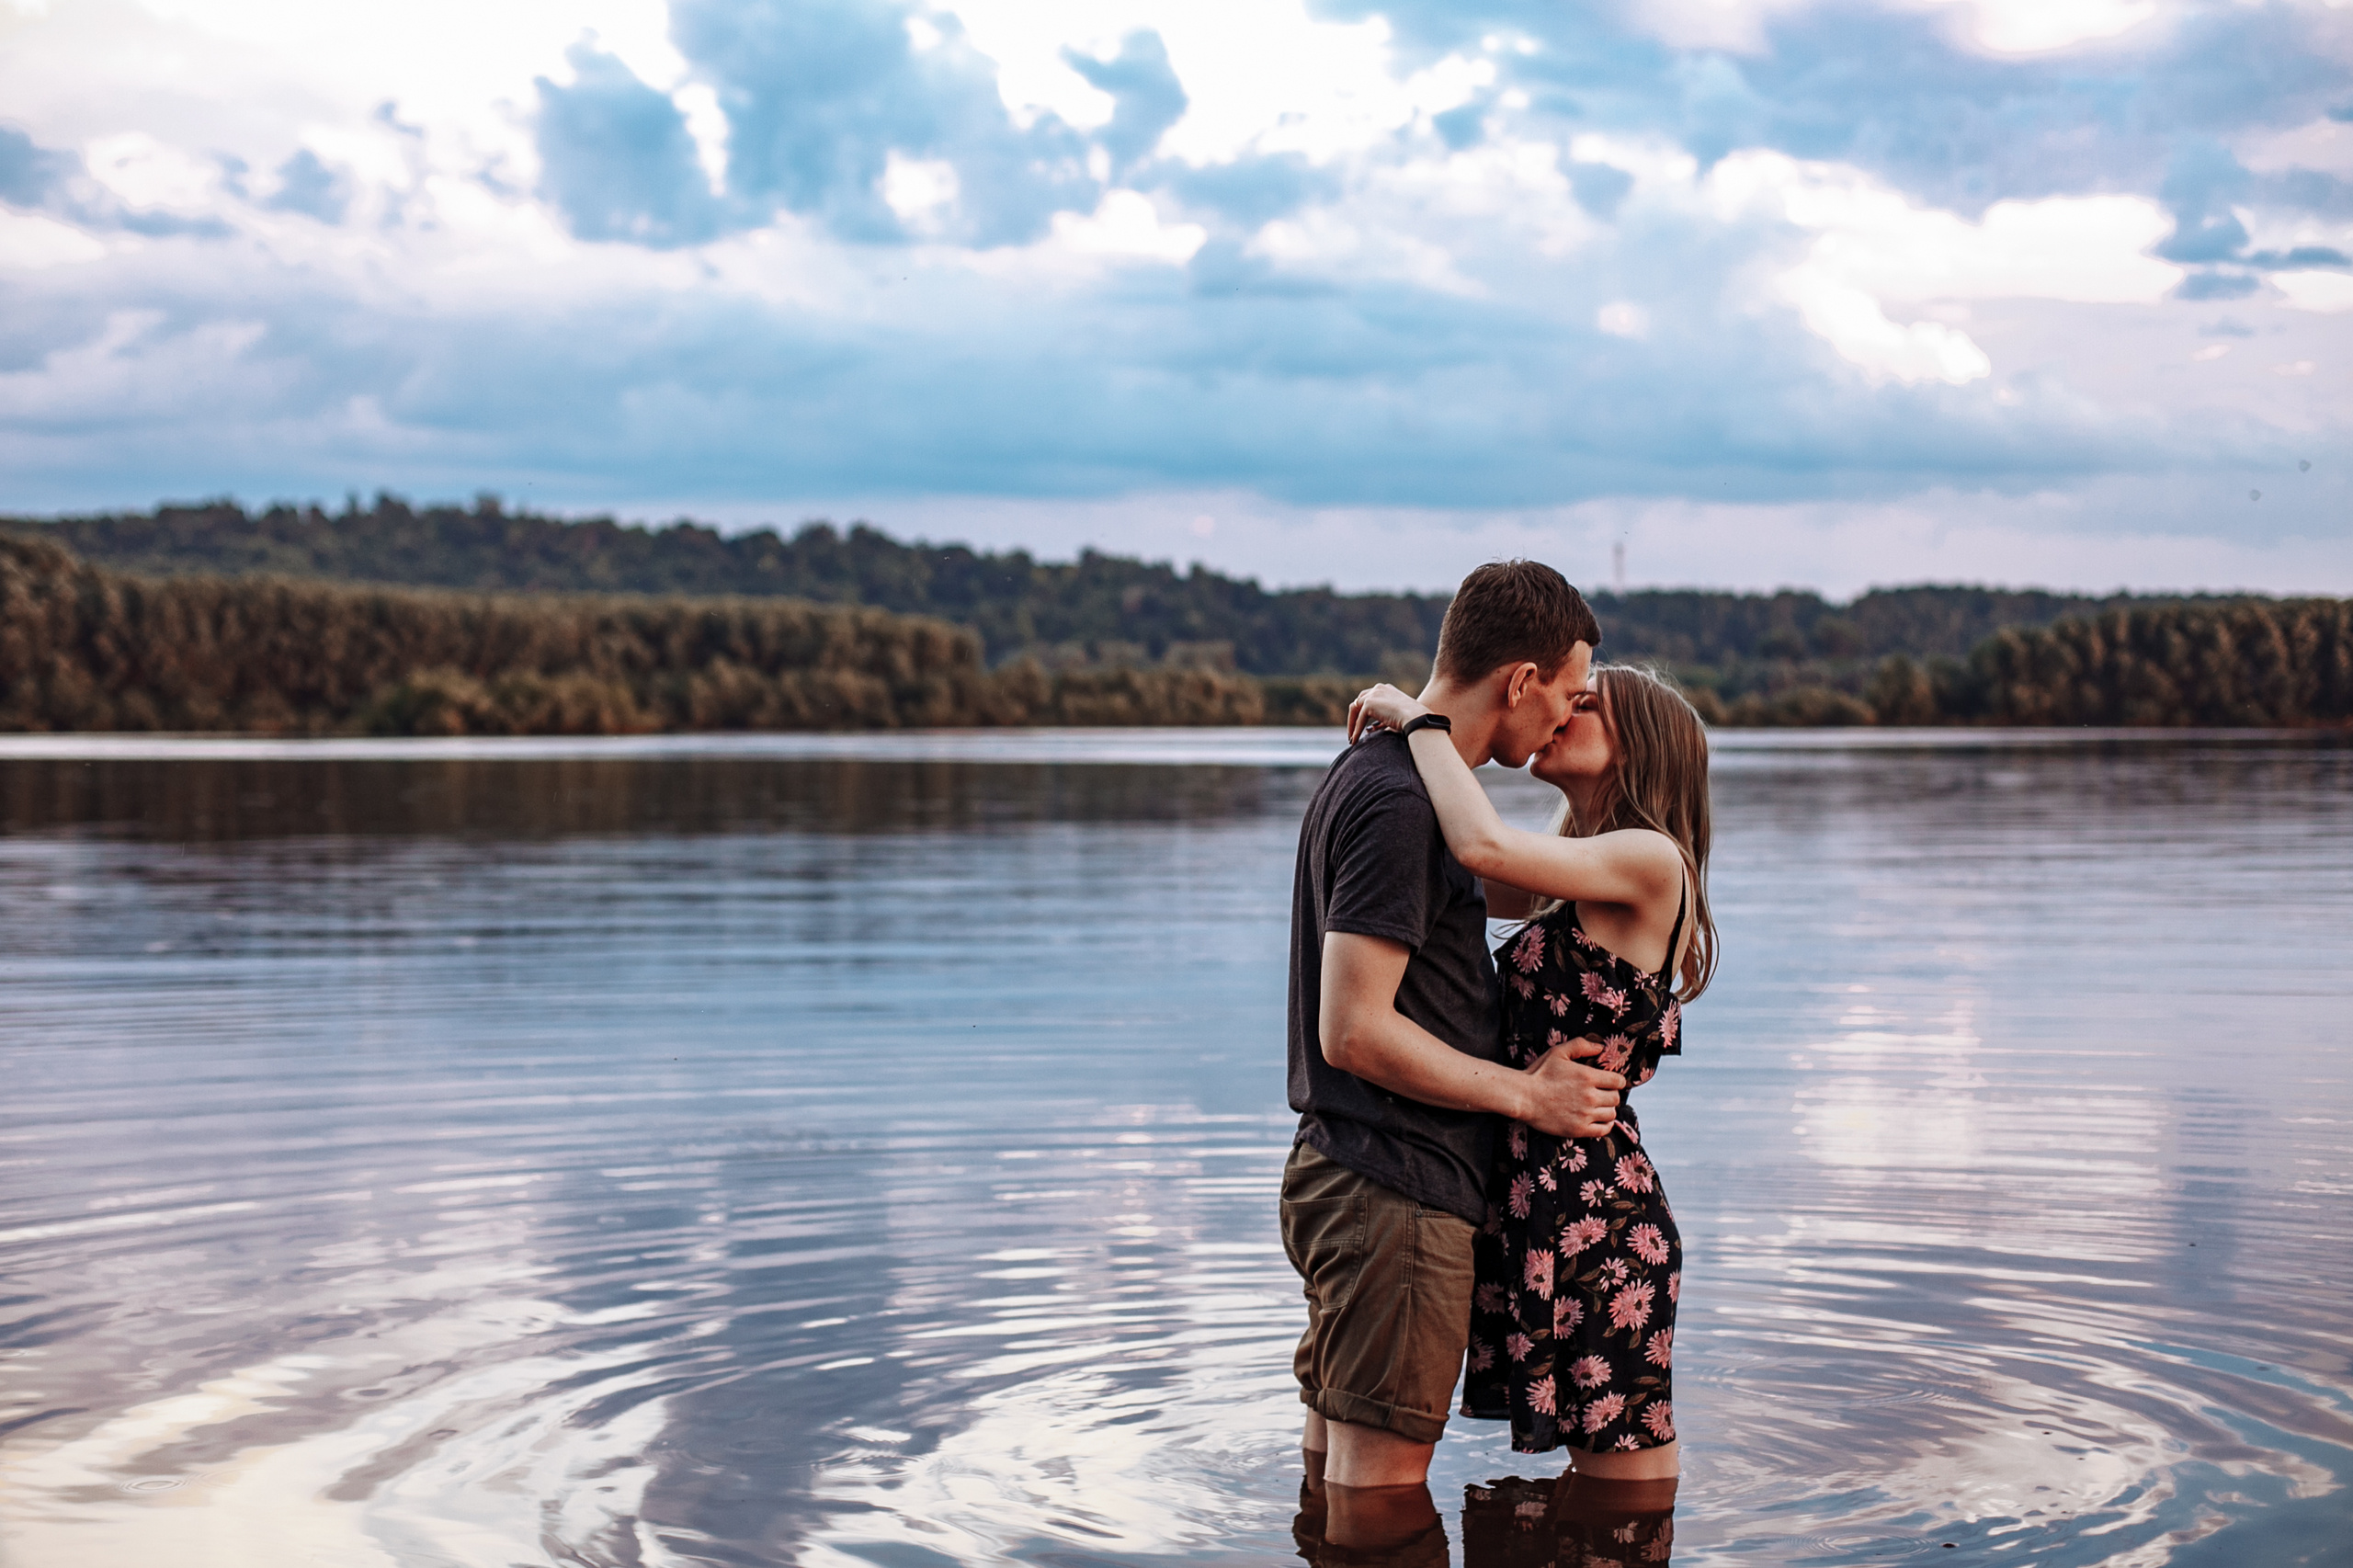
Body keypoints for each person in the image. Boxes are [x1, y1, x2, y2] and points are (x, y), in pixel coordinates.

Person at [1283, 559, 1630, 1544]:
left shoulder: (1400, 783)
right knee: (1380, 1495)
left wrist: (1605, 783)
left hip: (1356, 1173)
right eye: (1564, 696)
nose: (1562, 720)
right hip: (1389, 1189)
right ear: (1518, 680)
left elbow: (1532, 878)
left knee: (1336, 1481)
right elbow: (1352, 1027)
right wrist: (1531, 1096)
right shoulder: (1398, 798)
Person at [1347, 663, 1717, 1483]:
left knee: (1627, 1494)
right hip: (1533, 1199)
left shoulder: (1651, 861)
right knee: (1585, 1485)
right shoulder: (1571, 864)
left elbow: (1479, 842)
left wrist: (1418, 719)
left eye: (1585, 706)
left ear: (1637, 747)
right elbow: (1444, 868)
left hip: (1600, 1217)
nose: (1560, 714)